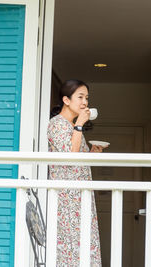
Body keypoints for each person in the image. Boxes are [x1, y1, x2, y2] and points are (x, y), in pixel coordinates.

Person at [47, 79, 104, 266]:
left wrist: (93, 153)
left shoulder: (73, 126)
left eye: (86, 98)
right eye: (80, 97)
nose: (85, 102)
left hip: (81, 195)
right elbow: (69, 157)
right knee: (70, 248)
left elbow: (80, 160)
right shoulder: (57, 124)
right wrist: (79, 124)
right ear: (66, 100)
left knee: (84, 245)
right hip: (67, 199)